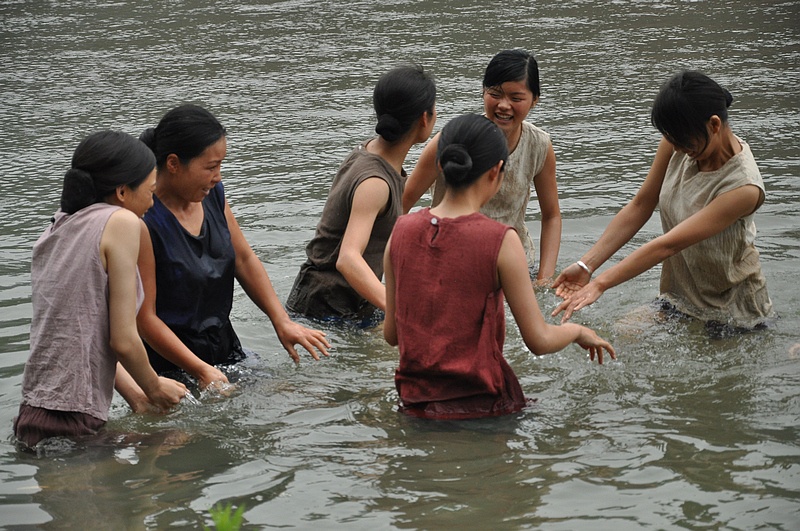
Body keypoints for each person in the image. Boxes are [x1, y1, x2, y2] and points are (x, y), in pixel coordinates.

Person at [384, 114, 615, 420]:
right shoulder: (502, 241)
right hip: (482, 407)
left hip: (413, 406)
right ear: (497, 171)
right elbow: (539, 341)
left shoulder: (400, 231)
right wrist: (577, 331)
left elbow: (392, 335)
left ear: (440, 165)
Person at [552, 71, 773, 332]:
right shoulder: (678, 141)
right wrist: (586, 265)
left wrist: (601, 283)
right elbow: (640, 205)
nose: (677, 149)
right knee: (619, 336)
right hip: (678, 299)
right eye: (672, 139)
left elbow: (668, 245)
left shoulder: (743, 187)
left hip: (735, 315)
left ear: (714, 125)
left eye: (682, 141)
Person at [14, 131, 187, 448]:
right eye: (150, 191)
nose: (153, 201)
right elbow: (122, 339)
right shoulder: (121, 221)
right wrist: (154, 387)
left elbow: (84, 335)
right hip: (74, 423)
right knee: (180, 450)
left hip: (34, 417)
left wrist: (138, 396)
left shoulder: (58, 226)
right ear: (122, 191)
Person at [138, 104, 330, 389]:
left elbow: (243, 259)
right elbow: (145, 319)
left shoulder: (212, 195)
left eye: (221, 165)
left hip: (224, 349)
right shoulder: (142, 219)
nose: (218, 176)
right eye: (210, 167)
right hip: (170, 369)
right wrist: (201, 371)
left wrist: (282, 321)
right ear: (174, 164)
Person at [285, 65, 437, 322]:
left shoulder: (369, 152)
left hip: (338, 299)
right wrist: (400, 309)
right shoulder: (375, 182)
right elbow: (348, 258)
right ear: (425, 118)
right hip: (326, 308)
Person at [403, 49, 561, 285]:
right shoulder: (451, 139)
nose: (504, 105)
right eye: (495, 94)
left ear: (535, 100)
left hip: (511, 260)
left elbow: (551, 216)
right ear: (483, 92)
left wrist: (544, 279)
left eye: (516, 98)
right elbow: (404, 201)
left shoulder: (538, 145)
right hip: (448, 260)